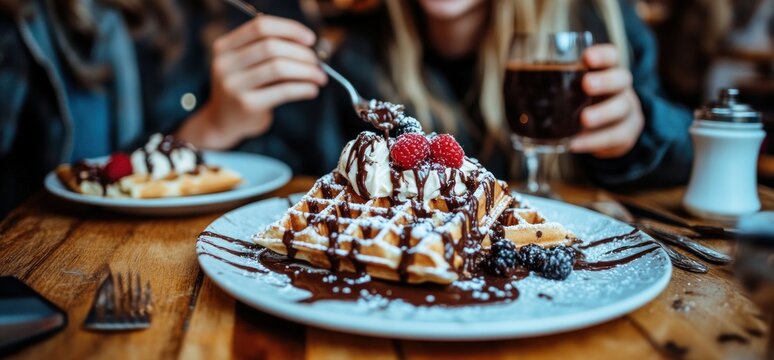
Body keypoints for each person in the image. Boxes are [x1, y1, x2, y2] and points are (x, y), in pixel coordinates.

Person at [0, 0, 692, 215]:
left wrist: (636, 136)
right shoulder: (343, 55)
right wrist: (216, 123)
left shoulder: (600, 24)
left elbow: (695, 156)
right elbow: (264, 194)